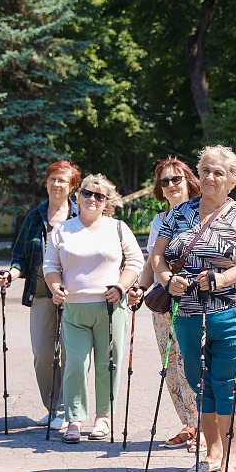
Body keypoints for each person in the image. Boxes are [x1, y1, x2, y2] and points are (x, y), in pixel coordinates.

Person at [151, 144, 236, 472]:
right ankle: (212, 454)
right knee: (198, 381)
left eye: (219, 172)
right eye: (205, 171)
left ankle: (229, 461)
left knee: (228, 386)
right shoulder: (180, 212)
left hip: (229, 312)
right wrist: (167, 279)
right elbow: (158, 255)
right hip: (185, 313)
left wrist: (224, 278)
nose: (211, 177)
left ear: (232, 179)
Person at [43, 174, 144, 442]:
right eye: (88, 193)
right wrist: (55, 289)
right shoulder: (62, 230)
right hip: (74, 309)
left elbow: (135, 261)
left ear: (106, 202)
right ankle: (74, 419)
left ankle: (103, 417)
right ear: (78, 195)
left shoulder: (119, 228)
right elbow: (50, 267)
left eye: (99, 196)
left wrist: (122, 287)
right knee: (75, 363)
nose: (92, 199)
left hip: (111, 308)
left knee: (107, 364)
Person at [0, 160, 81, 429]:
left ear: (72, 186)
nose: (57, 184)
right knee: (43, 353)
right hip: (42, 295)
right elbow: (20, 257)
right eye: (53, 179)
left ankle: (70, 410)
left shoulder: (80, 217)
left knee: (72, 353)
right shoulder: (34, 218)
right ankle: (53, 406)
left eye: (63, 180)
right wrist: (10, 274)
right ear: (46, 183)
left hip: (74, 296)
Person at [129, 157, 203, 453]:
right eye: (164, 181)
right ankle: (189, 423)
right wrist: (140, 287)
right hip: (163, 303)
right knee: (171, 365)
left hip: (194, 300)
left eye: (176, 179)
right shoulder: (159, 220)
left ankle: (207, 427)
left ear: (188, 181)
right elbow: (152, 260)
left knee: (194, 362)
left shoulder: (203, 214)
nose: (171, 185)